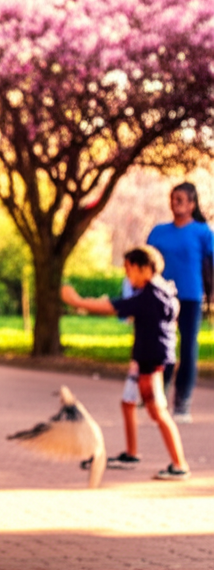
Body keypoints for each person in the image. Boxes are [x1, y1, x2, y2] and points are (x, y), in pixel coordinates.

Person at [61, 246, 191, 481]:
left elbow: (113, 307)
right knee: (128, 402)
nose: (127, 274)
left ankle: (179, 464)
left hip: (152, 362)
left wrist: (77, 301)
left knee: (157, 410)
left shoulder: (151, 295)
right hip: (144, 359)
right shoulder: (161, 291)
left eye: (129, 269)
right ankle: (131, 454)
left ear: (144, 268)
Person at [146, 181, 214, 423]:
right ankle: (158, 398)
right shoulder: (158, 232)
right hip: (159, 297)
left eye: (181, 200)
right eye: (173, 199)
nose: (175, 204)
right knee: (160, 348)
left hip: (190, 296)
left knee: (187, 349)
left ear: (192, 204)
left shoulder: (203, 232)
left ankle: (182, 403)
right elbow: (144, 264)